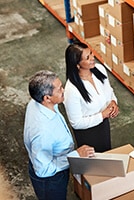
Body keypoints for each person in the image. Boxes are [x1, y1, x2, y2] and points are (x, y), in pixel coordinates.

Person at [23, 70, 95, 200]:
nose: (64, 90)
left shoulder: (37, 103)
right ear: (47, 98)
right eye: (60, 89)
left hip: (56, 161)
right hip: (50, 179)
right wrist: (75, 156)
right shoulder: (42, 132)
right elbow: (43, 170)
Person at [63, 41, 119, 153]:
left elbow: (109, 90)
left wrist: (113, 102)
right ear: (77, 64)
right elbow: (76, 123)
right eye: (88, 58)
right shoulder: (72, 90)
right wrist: (102, 115)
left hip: (103, 125)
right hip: (88, 133)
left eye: (91, 53)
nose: (93, 58)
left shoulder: (99, 69)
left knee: (106, 154)